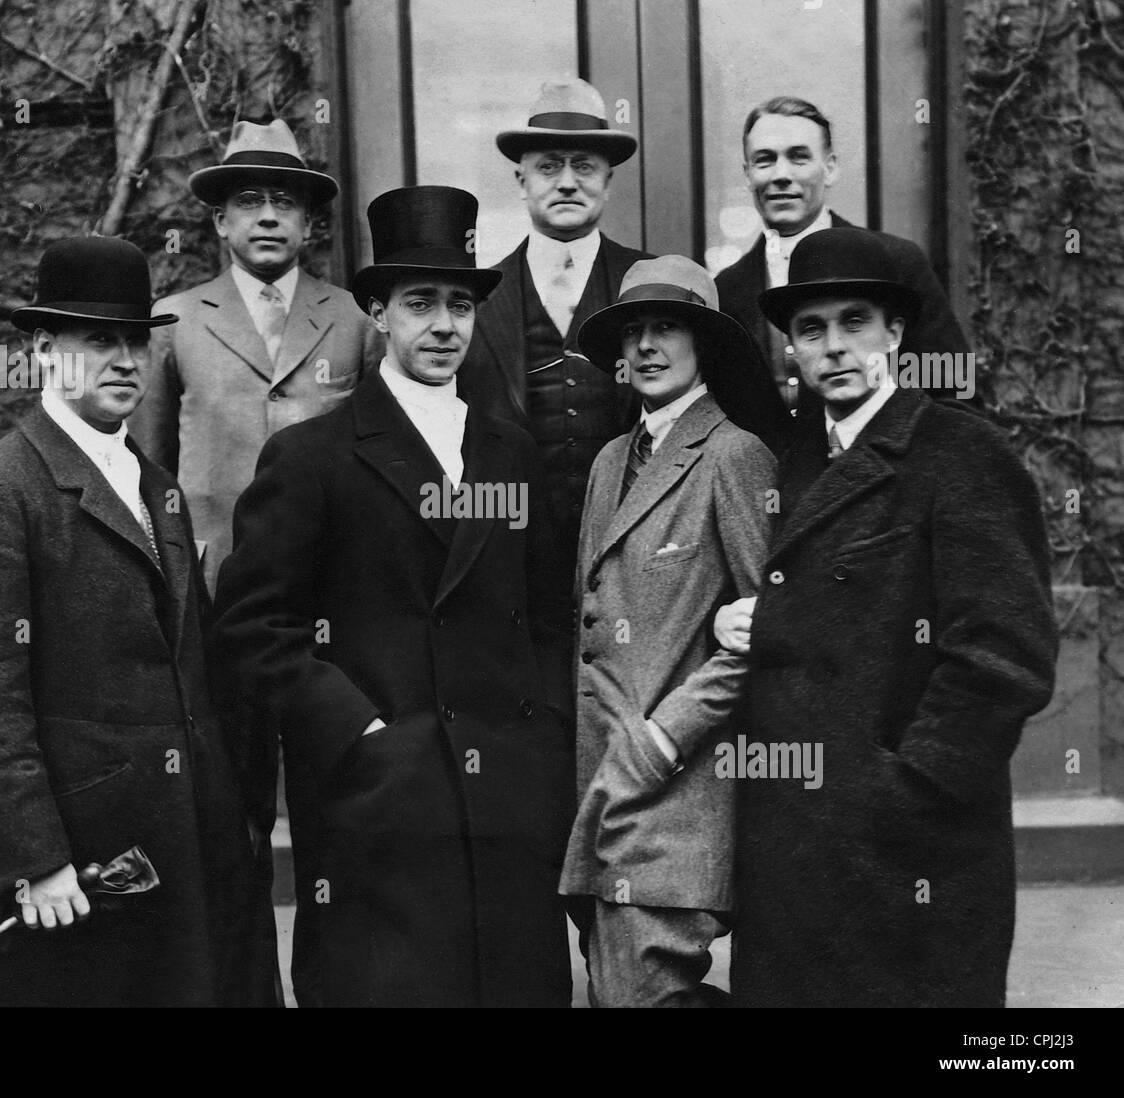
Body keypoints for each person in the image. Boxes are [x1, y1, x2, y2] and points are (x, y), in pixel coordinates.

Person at [213, 186, 577, 1007]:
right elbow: (251, 627)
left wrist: (543, 736)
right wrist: (358, 731)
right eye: (419, 303)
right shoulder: (315, 456)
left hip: (506, 797)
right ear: (377, 311)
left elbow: (553, 614)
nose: (444, 324)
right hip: (376, 796)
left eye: (459, 303)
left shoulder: (510, 451)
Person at [0, 237, 277, 1007]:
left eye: (135, 341)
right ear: (46, 351)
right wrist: (33, 859)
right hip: (79, 874)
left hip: (185, 852)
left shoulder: (156, 487)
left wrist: (240, 810)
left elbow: (196, 671)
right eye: (98, 340)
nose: (124, 360)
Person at [717, 227, 1057, 1007]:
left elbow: (1003, 657)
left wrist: (903, 791)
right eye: (811, 329)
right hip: (792, 855)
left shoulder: (960, 453)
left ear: (896, 334)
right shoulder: (791, 464)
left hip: (911, 863)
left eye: (854, 323)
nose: (833, 347)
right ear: (791, 349)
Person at [558, 256, 778, 1007]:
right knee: (615, 991)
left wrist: (664, 737)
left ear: (702, 345)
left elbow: (767, 635)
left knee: (640, 996)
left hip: (676, 800)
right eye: (634, 331)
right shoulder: (610, 461)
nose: (647, 345)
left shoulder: (735, 456)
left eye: (668, 327)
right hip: (598, 791)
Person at [130, 118, 380, 593]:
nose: (267, 216)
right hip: (212, 576)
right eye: (249, 201)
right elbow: (149, 464)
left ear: (307, 224)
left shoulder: (355, 318)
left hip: (327, 573)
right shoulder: (175, 320)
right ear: (221, 221)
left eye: (284, 202)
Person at [456, 78, 652, 558]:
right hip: (510, 550)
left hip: (632, 545)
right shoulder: (475, 299)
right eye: (548, 167)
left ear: (608, 180)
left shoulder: (652, 285)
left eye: (584, 166)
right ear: (521, 181)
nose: (567, 182)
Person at [715, 96, 971, 413]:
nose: (781, 174)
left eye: (799, 157)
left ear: (831, 168)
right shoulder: (727, 288)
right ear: (747, 174)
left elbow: (952, 385)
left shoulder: (898, 260)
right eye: (765, 160)